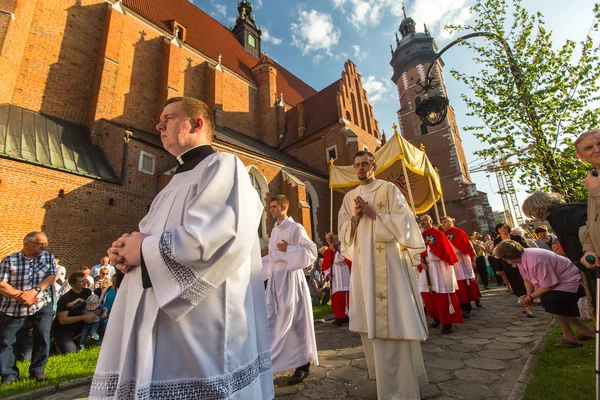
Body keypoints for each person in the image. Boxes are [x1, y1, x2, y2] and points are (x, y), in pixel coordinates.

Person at [92, 97, 273, 399]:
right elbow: (148, 237)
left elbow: (212, 238)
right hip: (149, 313)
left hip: (198, 326)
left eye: (170, 118)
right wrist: (126, 252)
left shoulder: (223, 165)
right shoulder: (172, 183)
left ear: (197, 124)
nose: (158, 125)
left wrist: (144, 249)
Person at [339, 151, 428, 400]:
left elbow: (406, 224)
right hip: (364, 266)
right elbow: (343, 233)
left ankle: (402, 389)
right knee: (372, 323)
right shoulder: (348, 198)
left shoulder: (388, 189)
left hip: (389, 264)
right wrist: (355, 218)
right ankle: (383, 380)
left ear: (373, 165)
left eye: (364, 164)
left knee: (394, 319)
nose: (360, 169)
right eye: (356, 165)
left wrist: (374, 214)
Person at [495, 241, 595, 348]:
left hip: (573, 282)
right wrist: (529, 297)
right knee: (554, 302)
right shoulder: (522, 258)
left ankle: (570, 338)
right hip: (563, 282)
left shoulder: (535, 260)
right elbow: (527, 279)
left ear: (507, 257)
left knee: (550, 300)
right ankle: (585, 331)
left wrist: (531, 297)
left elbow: (549, 285)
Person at [265, 194, 318, 384]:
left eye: (273, 206)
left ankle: (303, 364)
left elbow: (311, 251)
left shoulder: (296, 228)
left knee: (296, 320)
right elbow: (272, 258)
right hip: (276, 280)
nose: (270, 210)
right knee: (273, 320)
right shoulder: (274, 230)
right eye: (270, 207)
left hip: (291, 278)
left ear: (283, 207)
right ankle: (273, 362)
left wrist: (290, 249)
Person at [0, 232, 56, 384]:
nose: (43, 247)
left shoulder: (48, 257)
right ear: (26, 243)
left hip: (41, 303)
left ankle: (38, 371)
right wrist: (21, 296)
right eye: (40, 244)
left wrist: (34, 292)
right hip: (13, 306)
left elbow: (51, 277)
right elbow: (2, 284)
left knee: (42, 336)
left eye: (45, 244)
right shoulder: (9, 261)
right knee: (6, 340)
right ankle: (9, 374)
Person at [419, 215, 463, 334]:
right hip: (425, 268)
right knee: (428, 294)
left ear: (431, 221)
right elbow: (416, 251)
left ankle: (447, 322)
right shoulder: (419, 236)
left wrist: (429, 251)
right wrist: (420, 262)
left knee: (442, 293)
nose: (423, 222)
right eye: (421, 220)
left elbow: (445, 251)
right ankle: (436, 318)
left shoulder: (438, 234)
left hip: (439, 266)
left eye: (425, 220)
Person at [441, 216, 482, 318]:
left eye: (447, 221)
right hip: (451, 262)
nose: (445, 223)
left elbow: (466, 245)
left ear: (452, 222)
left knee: (466, 281)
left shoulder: (458, 232)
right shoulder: (442, 235)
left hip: (461, 259)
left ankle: (471, 303)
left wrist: (471, 258)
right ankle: (463, 305)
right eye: (443, 222)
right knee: (457, 284)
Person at [491, 222, 533, 317]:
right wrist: (498, 268)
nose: (503, 229)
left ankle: (528, 307)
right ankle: (524, 301)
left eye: (505, 227)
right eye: (500, 228)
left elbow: (526, 249)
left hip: (522, 264)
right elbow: (497, 255)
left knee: (525, 283)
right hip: (508, 266)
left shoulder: (517, 238)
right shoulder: (497, 241)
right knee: (515, 286)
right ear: (497, 230)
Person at [575, 129, 600, 269]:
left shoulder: (594, 185)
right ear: (581, 156)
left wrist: (597, 191)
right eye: (589, 148)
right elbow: (594, 220)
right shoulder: (594, 178)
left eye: (599, 143)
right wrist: (589, 249)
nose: (596, 150)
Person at [54, 272, 95, 353]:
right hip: (63, 329)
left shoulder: (87, 292)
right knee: (71, 351)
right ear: (73, 284)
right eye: (81, 281)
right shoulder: (65, 298)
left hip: (80, 326)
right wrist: (83, 317)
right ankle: (55, 342)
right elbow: (62, 320)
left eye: (85, 280)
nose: (84, 283)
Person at [322, 233, 351, 326]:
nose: (329, 241)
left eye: (331, 239)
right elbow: (326, 265)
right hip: (335, 276)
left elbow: (342, 259)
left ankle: (348, 315)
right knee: (337, 297)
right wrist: (328, 275)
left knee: (346, 295)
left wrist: (335, 251)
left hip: (344, 274)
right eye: (327, 239)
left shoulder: (342, 248)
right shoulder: (327, 251)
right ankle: (339, 316)